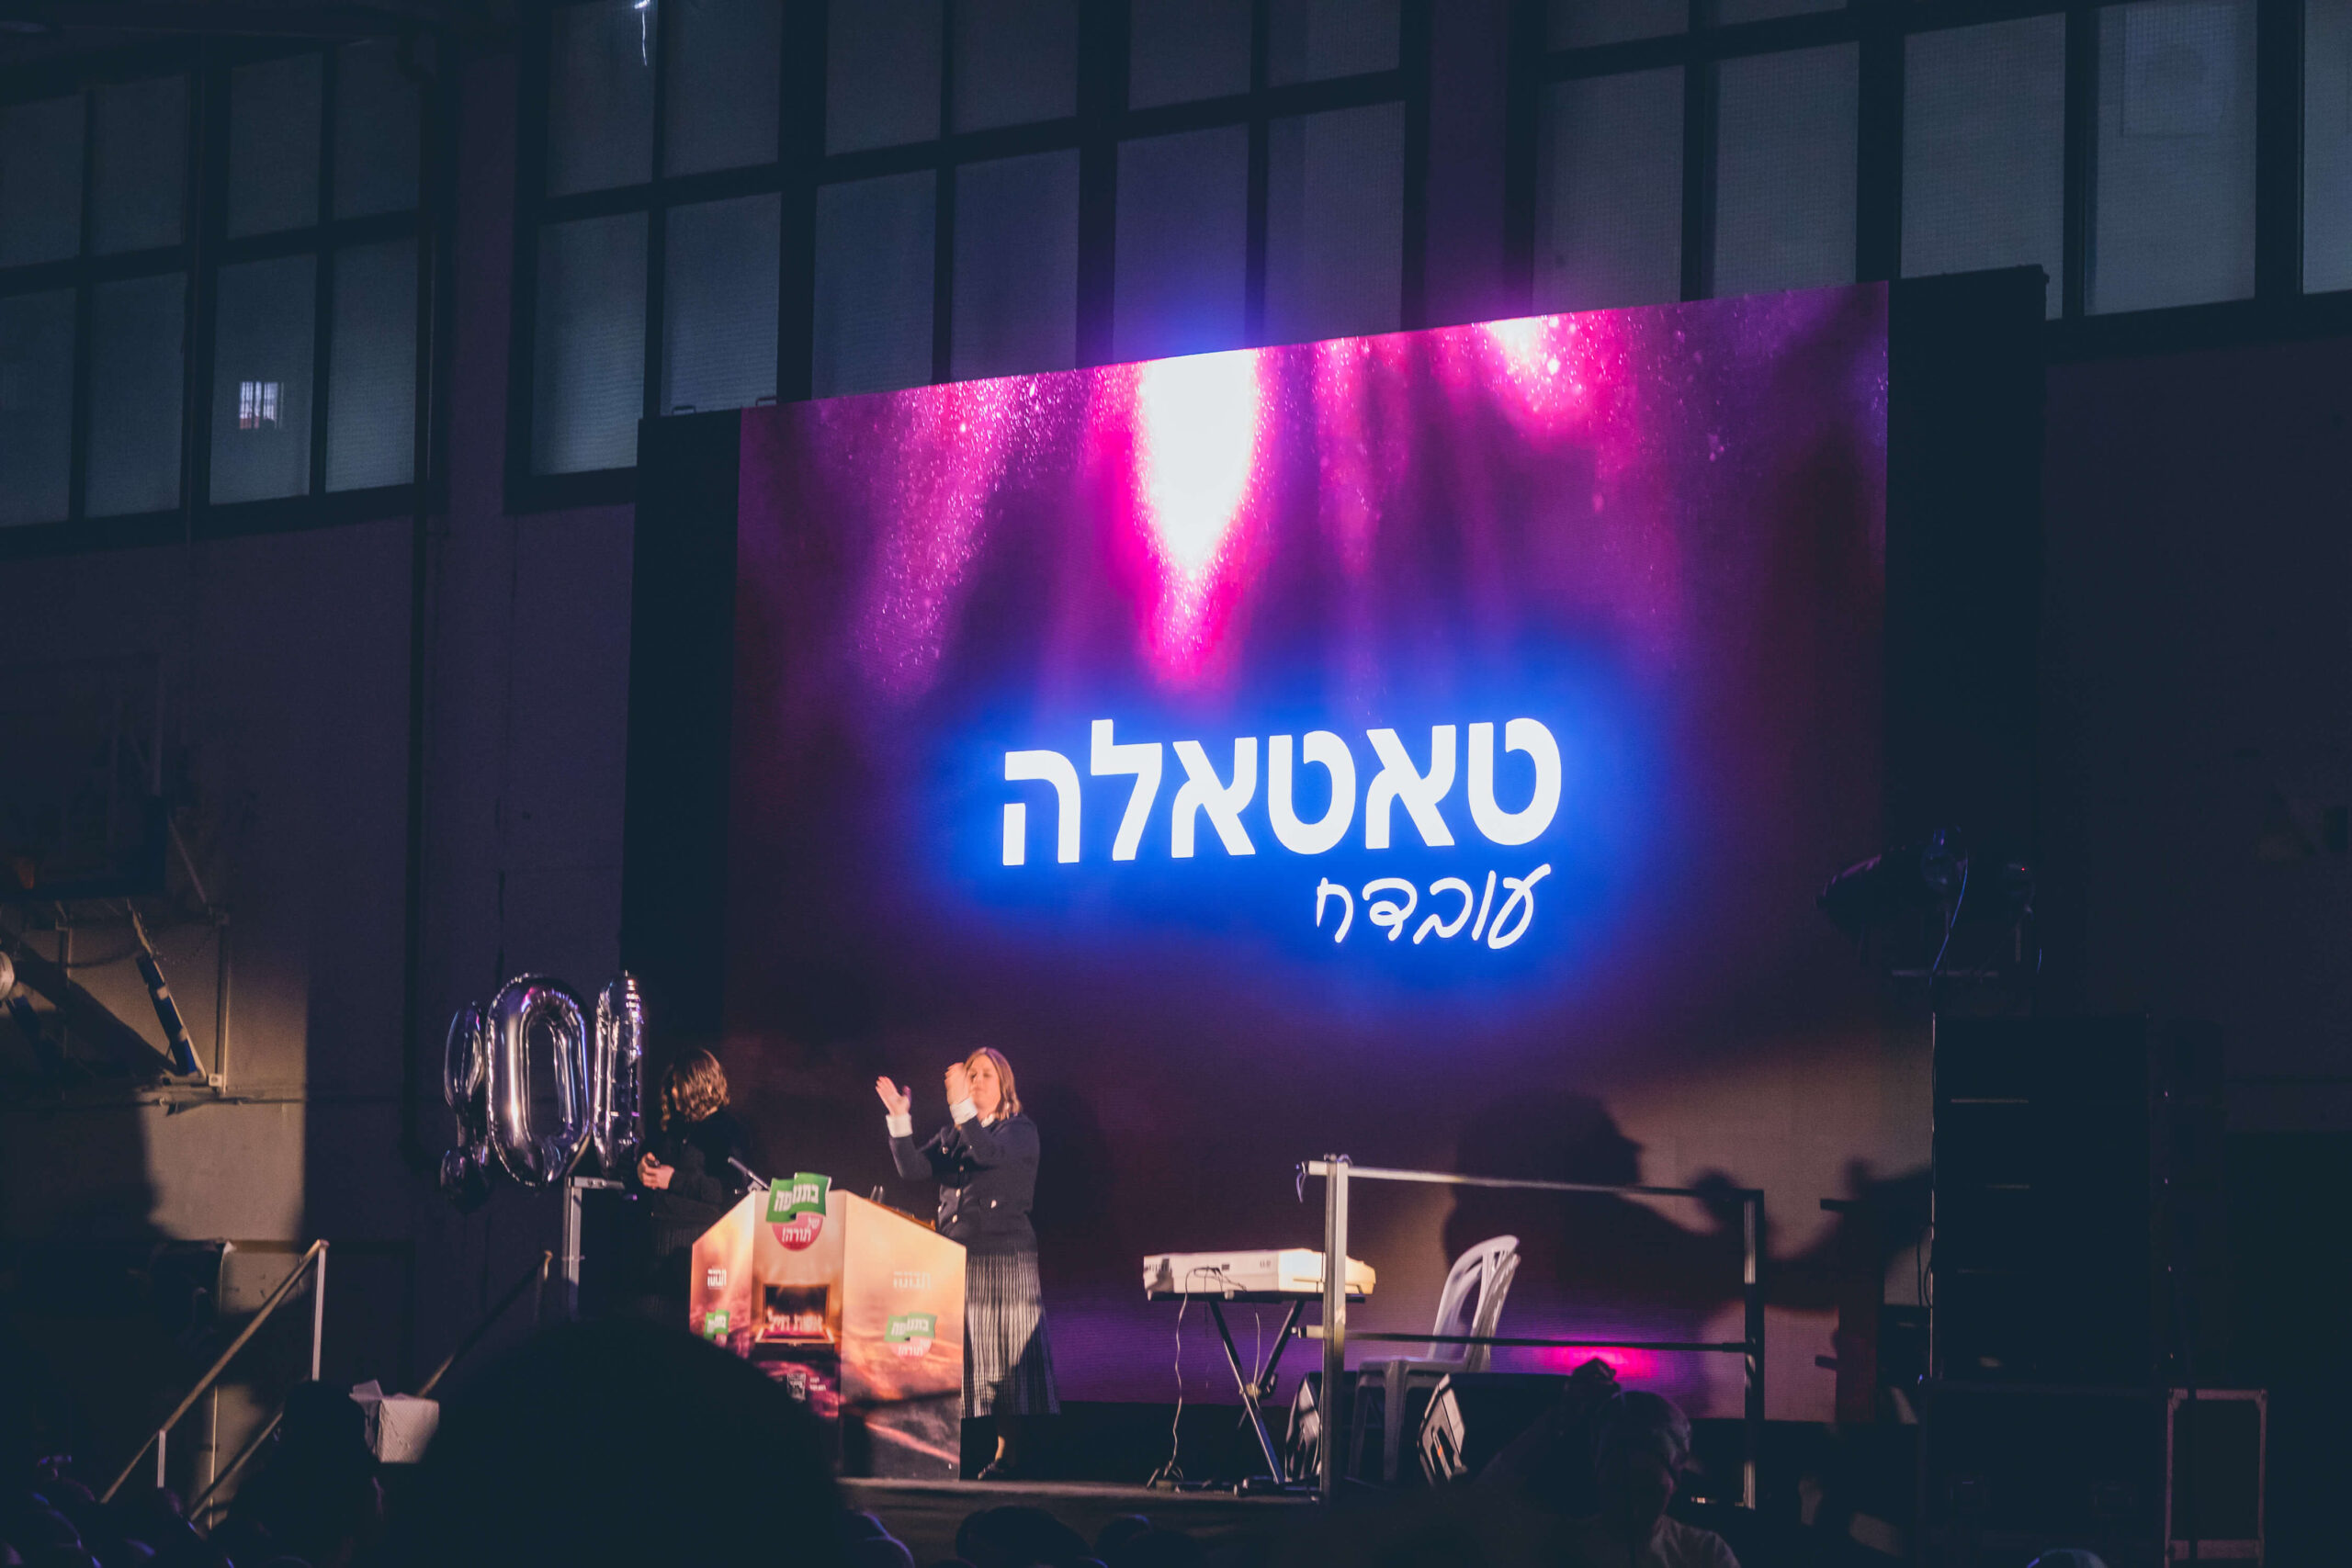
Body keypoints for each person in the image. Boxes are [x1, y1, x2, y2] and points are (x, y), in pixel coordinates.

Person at [875, 1048, 1058, 1479]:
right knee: (958, 1360)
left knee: (1003, 1362)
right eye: (970, 1075)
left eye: (985, 1076)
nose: (975, 1081)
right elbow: (914, 1169)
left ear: (1004, 1086)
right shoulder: (954, 1134)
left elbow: (989, 1153)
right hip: (955, 1258)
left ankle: (1008, 1454)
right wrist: (900, 1119)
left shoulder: (1019, 1131)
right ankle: (939, 1451)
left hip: (1002, 1259)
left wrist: (961, 1106)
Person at [628, 1048, 757, 1314]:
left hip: (696, 1246)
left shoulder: (728, 1131)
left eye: (679, 1084)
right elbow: (646, 1163)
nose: (673, 1092)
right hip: (656, 1244)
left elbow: (729, 1190)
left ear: (699, 1084)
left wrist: (674, 1180)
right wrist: (642, 1170)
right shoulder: (674, 1127)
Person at [1561, 1392, 1736, 1568]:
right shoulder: (1561, 1547)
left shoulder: (1707, 1553)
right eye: (1618, 1486)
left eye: (1649, 1491)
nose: (1633, 1509)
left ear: (1674, 1484)